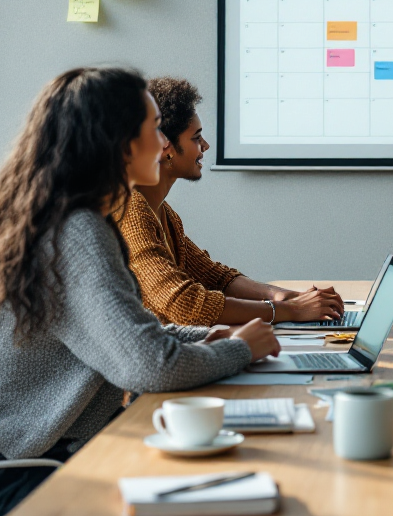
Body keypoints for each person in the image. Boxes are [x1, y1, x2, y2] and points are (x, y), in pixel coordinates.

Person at [0, 68, 386, 516]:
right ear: (121, 141)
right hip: (17, 511)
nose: (164, 140)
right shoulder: (77, 233)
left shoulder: (69, 221)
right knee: (269, 514)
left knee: (266, 498)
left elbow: (143, 332)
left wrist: (228, 341)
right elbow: (146, 364)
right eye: (155, 127)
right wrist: (236, 348)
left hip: (37, 482)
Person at [118, 77, 344, 328]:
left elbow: (215, 278)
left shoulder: (163, 212)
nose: (205, 145)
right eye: (196, 138)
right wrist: (287, 310)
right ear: (166, 148)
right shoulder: (132, 212)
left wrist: (284, 296)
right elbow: (185, 305)